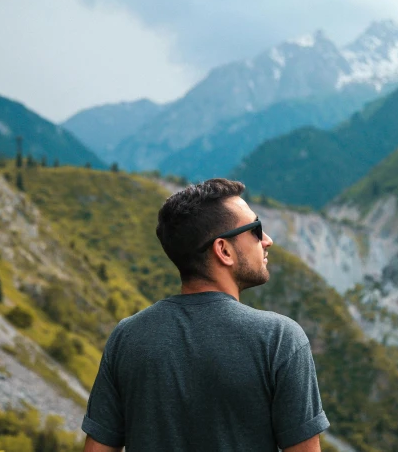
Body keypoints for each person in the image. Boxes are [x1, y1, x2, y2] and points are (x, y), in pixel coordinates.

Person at [82, 178, 329, 451]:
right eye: (256, 230)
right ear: (223, 250)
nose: (267, 241)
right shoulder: (278, 339)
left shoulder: (126, 337)